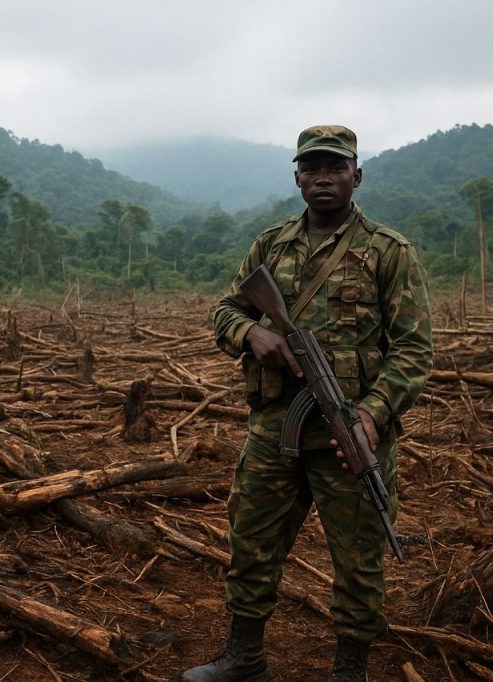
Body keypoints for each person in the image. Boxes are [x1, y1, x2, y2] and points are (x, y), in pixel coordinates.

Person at [183, 125, 433, 681]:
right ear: (297, 177)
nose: (324, 178)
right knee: (251, 540)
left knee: (360, 557)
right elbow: (226, 308)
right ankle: (244, 657)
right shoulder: (271, 245)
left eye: (336, 168)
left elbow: (415, 351)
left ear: (356, 176)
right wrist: (253, 335)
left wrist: (371, 414)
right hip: (277, 428)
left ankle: (350, 669)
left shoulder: (389, 252)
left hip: (353, 433)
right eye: (313, 168)